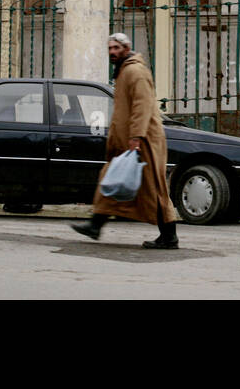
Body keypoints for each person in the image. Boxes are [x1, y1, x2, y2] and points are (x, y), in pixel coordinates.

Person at [71, 34, 181, 249]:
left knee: (153, 189)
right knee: (111, 180)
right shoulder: (123, 71)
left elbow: (143, 106)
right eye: (110, 48)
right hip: (127, 141)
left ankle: (170, 237)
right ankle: (95, 225)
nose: (112, 52)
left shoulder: (135, 71)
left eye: (117, 48)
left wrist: (136, 137)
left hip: (144, 141)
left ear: (126, 48)